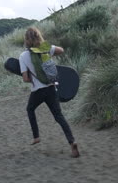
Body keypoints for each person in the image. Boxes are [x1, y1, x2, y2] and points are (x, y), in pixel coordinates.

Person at [19, 27, 80, 158]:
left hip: (38, 91)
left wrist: (33, 78)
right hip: (51, 88)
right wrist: (48, 50)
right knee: (59, 116)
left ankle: (36, 136)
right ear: (38, 36)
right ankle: (72, 142)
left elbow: (25, 79)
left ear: (26, 39)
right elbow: (61, 50)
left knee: (30, 109)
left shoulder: (23, 56)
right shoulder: (45, 47)